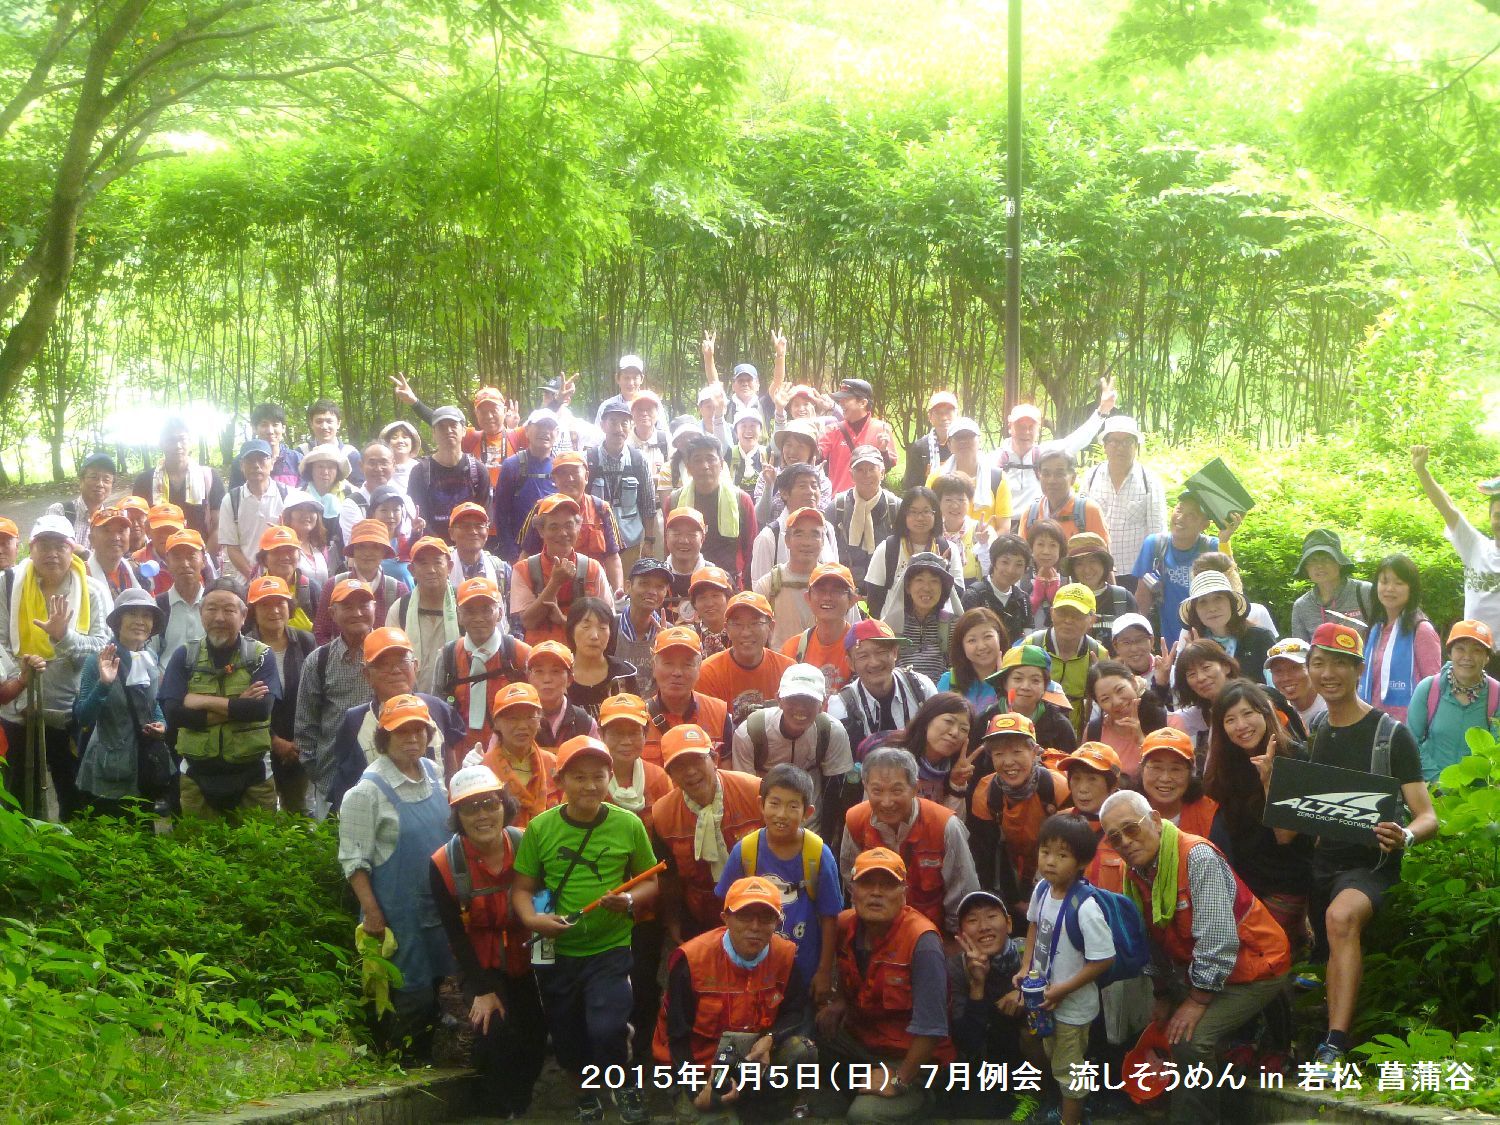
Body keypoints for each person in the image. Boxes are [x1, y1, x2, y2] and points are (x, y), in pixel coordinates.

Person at [1100, 788, 1292, 1122]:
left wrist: (1196, 1001)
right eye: (1115, 838)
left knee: (1190, 1040)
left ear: (1156, 822)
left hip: (1257, 966)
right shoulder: (1138, 874)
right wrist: (1161, 995)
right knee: (1155, 1028)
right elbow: (1151, 943)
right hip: (1202, 970)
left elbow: (1219, 941)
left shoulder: (1197, 857)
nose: (1126, 842)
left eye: (1132, 829)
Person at [1303, 621, 1439, 1067]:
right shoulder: (1318, 729)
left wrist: (1405, 835)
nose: (1329, 673)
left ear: (1359, 670)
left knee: (1341, 917)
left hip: (1373, 866)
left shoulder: (1390, 734)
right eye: (1319, 663)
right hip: (1322, 864)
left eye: (1341, 663)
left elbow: (1427, 816)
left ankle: (1335, 1044)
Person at [511, 735, 660, 1125]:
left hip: (610, 947)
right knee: (567, 1031)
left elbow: (650, 881)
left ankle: (622, 1082)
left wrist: (628, 901)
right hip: (558, 951)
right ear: (560, 780)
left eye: (598, 776)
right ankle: (586, 1092)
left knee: (608, 1025)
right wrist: (533, 920)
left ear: (611, 777)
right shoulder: (540, 829)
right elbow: (523, 889)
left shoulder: (628, 824)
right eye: (579, 777)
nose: (590, 786)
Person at [339, 694, 456, 1060]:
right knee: (408, 994)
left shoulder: (435, 775)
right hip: (395, 913)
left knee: (438, 989)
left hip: (437, 908)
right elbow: (354, 860)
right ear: (383, 738)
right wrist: (372, 913)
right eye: (401, 732)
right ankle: (392, 1063)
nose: (412, 739)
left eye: (419, 730)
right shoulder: (367, 791)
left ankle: (421, 1061)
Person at [1207, 680, 1314, 1070]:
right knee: (1238, 954)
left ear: (1267, 713)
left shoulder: (1296, 757)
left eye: (1248, 714)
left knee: (1268, 959)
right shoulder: (1227, 766)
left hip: (1286, 881)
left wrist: (1271, 779)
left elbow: (1287, 836)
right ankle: (1245, 1038)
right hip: (1244, 884)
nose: (1241, 725)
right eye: (1230, 719)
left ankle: (1280, 1045)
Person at [429, 766, 547, 1118]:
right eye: (470, 808)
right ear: (457, 816)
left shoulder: (527, 843)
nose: (482, 815)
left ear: (504, 805)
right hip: (481, 963)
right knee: (492, 1029)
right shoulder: (444, 864)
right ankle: (493, 1108)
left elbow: (547, 899)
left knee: (535, 1034)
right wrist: (480, 989)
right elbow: (454, 932)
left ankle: (520, 1105)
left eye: (489, 804)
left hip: (529, 956)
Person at [654, 872, 817, 1121]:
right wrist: (696, 1088)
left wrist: (770, 1039)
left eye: (765, 918)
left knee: (801, 1051)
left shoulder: (786, 956)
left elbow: (795, 1011)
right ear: (725, 918)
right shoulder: (691, 961)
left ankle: (767, 1112)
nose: (755, 927)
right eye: (744, 916)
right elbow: (675, 1036)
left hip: (752, 1060)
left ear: (777, 922)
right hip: (698, 1065)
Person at [817, 846, 952, 1124]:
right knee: (806, 1038)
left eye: (888, 884)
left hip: (914, 1058)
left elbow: (932, 1027)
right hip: (864, 1045)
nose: (876, 893)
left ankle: (924, 1099)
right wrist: (840, 1000)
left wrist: (899, 1080)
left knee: (863, 1116)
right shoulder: (843, 925)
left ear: (904, 892)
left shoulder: (922, 941)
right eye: (867, 883)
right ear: (852, 890)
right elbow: (847, 976)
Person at [0, 514, 111, 819]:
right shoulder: (8, 585)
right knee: (18, 793)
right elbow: (0, 639)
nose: (52, 553)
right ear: (30, 549)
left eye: (60, 546)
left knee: (73, 792)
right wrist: (20, 675)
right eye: (43, 545)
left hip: (69, 711)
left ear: (72, 549)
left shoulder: (91, 591)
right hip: (20, 709)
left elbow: (102, 646)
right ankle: (24, 859)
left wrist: (64, 637)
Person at [1016, 813, 1117, 1125]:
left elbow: (1104, 959)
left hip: (1072, 1006)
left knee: (1070, 1069)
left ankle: (1071, 1118)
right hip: (1045, 998)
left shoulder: (1085, 907)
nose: (1050, 862)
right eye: (1045, 852)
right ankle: (1065, 1108)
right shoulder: (1043, 890)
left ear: (1082, 861)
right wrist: (1025, 966)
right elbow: (1033, 926)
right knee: (1056, 1058)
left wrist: (1063, 989)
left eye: (1062, 855)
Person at [716, 762, 842, 995]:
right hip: (754, 965)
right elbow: (727, 908)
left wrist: (824, 971)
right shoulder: (746, 851)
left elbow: (829, 917)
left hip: (803, 965)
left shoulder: (817, 854)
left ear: (808, 813)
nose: (781, 814)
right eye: (774, 804)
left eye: (793, 806)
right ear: (760, 805)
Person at [159, 580, 281, 819]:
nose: (219, 618)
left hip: (253, 776)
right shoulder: (184, 656)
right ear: (201, 612)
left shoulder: (261, 656)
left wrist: (199, 701)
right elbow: (173, 714)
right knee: (200, 851)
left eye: (229, 610)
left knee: (257, 852)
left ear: (243, 615)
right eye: (212, 609)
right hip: (196, 775)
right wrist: (238, 705)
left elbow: (260, 710)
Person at [840, 746, 979, 935]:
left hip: (932, 933)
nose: (887, 801)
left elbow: (964, 892)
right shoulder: (855, 820)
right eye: (877, 791)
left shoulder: (945, 826)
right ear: (865, 787)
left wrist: (952, 942)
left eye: (896, 791)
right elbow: (852, 881)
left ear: (915, 788)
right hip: (876, 932)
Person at [326, 627, 466, 812]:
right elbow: (346, 784)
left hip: (438, 820)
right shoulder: (355, 722)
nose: (395, 670)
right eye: (383, 664)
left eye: (402, 661)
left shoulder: (437, 709)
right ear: (366, 674)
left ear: (415, 666)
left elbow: (453, 768)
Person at [651, 723, 765, 941]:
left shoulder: (754, 792)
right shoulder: (662, 815)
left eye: (697, 760)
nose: (691, 771)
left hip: (759, 908)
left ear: (714, 759)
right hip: (699, 915)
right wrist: (674, 923)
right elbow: (669, 879)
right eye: (680, 765)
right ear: (670, 774)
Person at [73, 588, 167, 817]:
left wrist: (162, 724)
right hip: (109, 765)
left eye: (146, 616)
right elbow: (83, 717)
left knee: (143, 835)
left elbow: (152, 703)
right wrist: (104, 684)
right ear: (117, 621)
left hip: (144, 763)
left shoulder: (150, 658)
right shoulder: (96, 661)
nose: (140, 621)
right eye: (132, 614)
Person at [968, 712, 1071, 917]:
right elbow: (986, 855)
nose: (1008, 762)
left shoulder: (1059, 788)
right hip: (1011, 875)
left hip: (1055, 875)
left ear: (1034, 752)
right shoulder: (986, 793)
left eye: (1017, 751)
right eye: (998, 754)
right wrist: (1009, 900)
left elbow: (1072, 851)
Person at [730, 663, 856, 830]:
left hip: (811, 828)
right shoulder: (751, 732)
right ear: (779, 700)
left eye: (809, 701)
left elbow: (835, 792)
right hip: (764, 826)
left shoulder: (832, 731)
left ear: (823, 704)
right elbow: (744, 792)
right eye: (793, 699)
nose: (800, 708)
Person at [296, 577, 377, 815]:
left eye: (364, 605)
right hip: (331, 779)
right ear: (332, 613)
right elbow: (305, 726)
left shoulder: (389, 655)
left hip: (382, 777)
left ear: (375, 608)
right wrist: (320, 776)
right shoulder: (318, 661)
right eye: (348, 606)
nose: (358, 613)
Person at [946, 890, 1029, 1118]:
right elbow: (967, 1041)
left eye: (992, 916)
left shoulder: (1029, 956)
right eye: (972, 920)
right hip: (983, 1065)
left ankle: (1039, 1096)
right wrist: (977, 985)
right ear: (962, 933)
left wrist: (1026, 994)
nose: (983, 926)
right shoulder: (956, 968)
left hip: (1025, 1063)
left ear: (1009, 924)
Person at [1413, 443, 1500, 650]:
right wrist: (1421, 470)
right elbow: (1447, 507)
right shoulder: (1475, 547)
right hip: (1475, 653)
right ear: (1490, 518)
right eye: (1497, 516)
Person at [437, 576, 530, 768]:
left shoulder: (519, 654)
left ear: (500, 612)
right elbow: (438, 714)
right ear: (459, 615)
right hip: (460, 759)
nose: (478, 618)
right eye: (469, 611)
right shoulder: (448, 656)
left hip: (511, 759)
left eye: (487, 610)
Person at [244, 575, 318, 812]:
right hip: (256, 745)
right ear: (253, 611)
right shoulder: (244, 648)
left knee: (299, 812)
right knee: (261, 815)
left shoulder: (306, 642)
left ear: (290, 607)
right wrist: (273, 740)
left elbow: (314, 695)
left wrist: (300, 742)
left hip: (298, 747)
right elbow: (242, 701)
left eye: (280, 603)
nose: (274, 610)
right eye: (265, 604)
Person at [995, 379, 1117, 514]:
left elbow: (1080, 438)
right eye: (1020, 426)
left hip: (1037, 526)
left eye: (1031, 427)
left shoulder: (1046, 454)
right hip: (1004, 527)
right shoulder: (994, 460)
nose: (1026, 432)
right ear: (1010, 427)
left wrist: (1102, 411)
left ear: (1039, 430)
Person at [1131, 492, 1235, 648]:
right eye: (1179, 510)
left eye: (1191, 515)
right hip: (1169, 638)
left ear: (1204, 525)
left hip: (1209, 639)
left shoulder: (1213, 546)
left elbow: (1233, 586)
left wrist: (1224, 541)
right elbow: (1142, 595)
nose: (1180, 518)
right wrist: (1138, 633)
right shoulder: (1154, 544)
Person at [511, 494, 615, 648]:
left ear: (578, 528)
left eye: (569, 525)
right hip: (540, 659)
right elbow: (528, 622)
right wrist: (555, 583)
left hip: (582, 658)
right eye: (553, 526)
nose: (563, 533)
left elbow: (607, 622)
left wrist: (563, 620)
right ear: (541, 531)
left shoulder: (593, 569)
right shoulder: (523, 569)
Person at [519, 450, 624, 595]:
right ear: (554, 480)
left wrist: (618, 593)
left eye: (575, 472)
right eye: (562, 473)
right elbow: (527, 554)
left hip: (592, 595)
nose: (569, 478)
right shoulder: (540, 509)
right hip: (550, 592)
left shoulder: (602, 509)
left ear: (586, 476)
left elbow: (612, 557)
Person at [827, 619, 939, 755]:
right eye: (863, 656)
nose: (874, 663)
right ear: (850, 663)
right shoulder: (841, 706)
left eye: (881, 652)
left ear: (895, 653)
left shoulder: (921, 688)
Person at [1409, 619, 1500, 783]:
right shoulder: (1428, 689)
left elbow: (1497, 752)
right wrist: (1440, 783)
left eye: (1477, 650)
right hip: (1431, 791)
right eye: (1460, 649)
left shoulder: (1497, 695)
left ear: (1487, 658)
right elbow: (1411, 742)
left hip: (1479, 797)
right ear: (1450, 653)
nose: (1467, 657)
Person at [1081, 414, 1166, 583]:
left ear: (1136, 446)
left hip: (1136, 571)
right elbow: (1081, 524)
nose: (1120, 448)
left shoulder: (1149, 481)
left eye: (1128, 441)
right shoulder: (1091, 477)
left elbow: (1158, 532)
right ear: (1104, 446)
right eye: (1114, 441)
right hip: (1097, 569)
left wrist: (1155, 570)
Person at [1359, 553, 1442, 722]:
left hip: (1409, 727)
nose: (1390, 588)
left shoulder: (1421, 630)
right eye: (1384, 581)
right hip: (1373, 722)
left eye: (1399, 583)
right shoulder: (1376, 629)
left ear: (1412, 588)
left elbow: (1434, 687)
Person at [863, 488, 964, 620]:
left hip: (936, 627)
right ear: (904, 514)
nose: (920, 518)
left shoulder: (949, 549)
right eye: (913, 512)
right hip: (894, 629)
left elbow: (959, 593)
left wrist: (942, 573)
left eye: (926, 511)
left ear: (936, 514)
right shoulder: (888, 548)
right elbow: (874, 597)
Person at [671, 435, 758, 586]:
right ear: (688, 466)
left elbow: (751, 548)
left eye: (711, 459)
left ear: (722, 464)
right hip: (686, 582)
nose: (705, 466)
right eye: (698, 460)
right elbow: (670, 546)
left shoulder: (741, 500)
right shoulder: (674, 501)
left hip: (730, 582)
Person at [642, 626, 733, 765]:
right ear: (654, 667)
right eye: (668, 663)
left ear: (699, 667)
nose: (677, 672)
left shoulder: (719, 714)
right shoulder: (639, 718)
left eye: (687, 664)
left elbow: (725, 778)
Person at [1021, 583, 1105, 733]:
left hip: (1079, 737)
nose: (1068, 620)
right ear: (1052, 613)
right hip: (1033, 733)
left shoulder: (1099, 654)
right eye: (1062, 612)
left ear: (1092, 619)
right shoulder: (1031, 645)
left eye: (1077, 615)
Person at [586, 399, 659, 573]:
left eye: (624, 423)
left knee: (626, 590)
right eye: (613, 422)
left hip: (630, 542)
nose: (619, 428)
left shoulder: (638, 460)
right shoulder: (589, 460)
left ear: (630, 425)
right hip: (596, 542)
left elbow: (648, 504)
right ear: (603, 425)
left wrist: (649, 541)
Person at [312, 518, 408, 645]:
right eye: (361, 546)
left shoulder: (398, 590)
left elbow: (405, 637)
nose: (367, 553)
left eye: (375, 547)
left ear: (384, 552)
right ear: (353, 551)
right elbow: (320, 633)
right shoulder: (333, 585)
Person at [131, 417, 225, 547]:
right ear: (161, 444)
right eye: (171, 440)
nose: (178, 446)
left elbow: (219, 526)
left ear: (190, 441)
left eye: (182, 439)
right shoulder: (145, 481)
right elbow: (138, 524)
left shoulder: (208, 478)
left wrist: (205, 560)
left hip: (199, 557)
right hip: (156, 559)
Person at [881, 691, 977, 816]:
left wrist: (956, 785)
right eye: (948, 721)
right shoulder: (892, 759)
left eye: (963, 729)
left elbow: (953, 827)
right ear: (927, 720)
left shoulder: (959, 769)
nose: (954, 732)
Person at [384, 536, 458, 695]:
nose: (431, 569)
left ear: (450, 567)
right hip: (410, 701)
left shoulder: (464, 605)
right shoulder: (400, 609)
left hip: (457, 699)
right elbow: (391, 659)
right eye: (423, 563)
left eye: (438, 562)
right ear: (412, 570)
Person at [407, 405, 491, 546]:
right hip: (431, 551)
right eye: (441, 427)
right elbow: (419, 516)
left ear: (464, 430)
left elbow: (483, 516)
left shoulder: (478, 470)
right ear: (433, 433)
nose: (448, 431)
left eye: (453, 425)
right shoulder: (420, 472)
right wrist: (441, 548)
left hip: (469, 548)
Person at [1178, 569, 1275, 683]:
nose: (1212, 608)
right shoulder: (1193, 646)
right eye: (1203, 602)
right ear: (1196, 611)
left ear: (1231, 602)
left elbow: (1276, 687)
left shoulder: (1259, 637)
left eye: (1218, 598)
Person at [697, 590, 795, 704]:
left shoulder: (787, 671)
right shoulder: (708, 673)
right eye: (737, 624)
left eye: (755, 623)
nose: (746, 633)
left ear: (771, 627)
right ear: (727, 629)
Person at [982, 644, 1078, 758]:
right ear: (1004, 683)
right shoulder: (986, 720)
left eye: (1035, 680)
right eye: (1018, 678)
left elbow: (1070, 770)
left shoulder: (1059, 725)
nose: (1025, 686)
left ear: (1045, 686)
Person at [750, 464, 840, 585]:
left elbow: (836, 576)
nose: (811, 492)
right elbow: (760, 590)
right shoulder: (769, 538)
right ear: (784, 493)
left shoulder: (827, 529)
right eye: (802, 486)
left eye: (814, 486)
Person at [883, 551, 963, 683]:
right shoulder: (891, 626)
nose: (926, 588)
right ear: (908, 587)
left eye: (934, 581)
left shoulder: (954, 625)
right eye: (919, 580)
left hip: (941, 700)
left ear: (943, 588)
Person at [781, 561, 859, 695]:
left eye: (837, 591)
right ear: (808, 598)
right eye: (820, 590)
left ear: (852, 600)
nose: (827, 597)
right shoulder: (793, 649)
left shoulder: (861, 647)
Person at [827, 443, 902, 578]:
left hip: (887, 582)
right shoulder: (837, 507)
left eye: (872, 469)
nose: (866, 475)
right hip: (846, 583)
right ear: (851, 474)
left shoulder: (895, 507)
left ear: (883, 473)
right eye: (860, 470)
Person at [1083, 658, 1168, 775]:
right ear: (1098, 704)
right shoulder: (1095, 731)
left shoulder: (1168, 722)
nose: (1117, 702)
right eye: (1105, 699)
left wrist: (1142, 741)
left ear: (1133, 683)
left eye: (1119, 690)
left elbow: (1173, 774)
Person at [1136, 727, 1222, 842]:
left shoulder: (1209, 815)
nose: (1165, 778)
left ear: (1190, 773)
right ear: (1142, 769)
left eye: (1176, 769)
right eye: (1156, 767)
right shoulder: (1125, 810)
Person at [220, 439, 288, 582]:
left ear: (272, 463)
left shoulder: (287, 496)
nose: (256, 465)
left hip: (283, 578)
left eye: (262, 459)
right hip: (247, 580)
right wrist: (254, 576)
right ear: (241, 465)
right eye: (250, 460)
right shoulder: (231, 500)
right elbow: (232, 547)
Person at [1289, 529, 1374, 641]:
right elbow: (1301, 651)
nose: (1319, 565)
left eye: (1326, 559)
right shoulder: (1302, 606)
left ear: (1339, 563)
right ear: (1306, 568)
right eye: (1313, 560)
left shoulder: (1365, 592)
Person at [819, 378, 899, 495]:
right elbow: (816, 457)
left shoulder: (881, 429)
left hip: (872, 502)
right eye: (840, 400)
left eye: (846, 399)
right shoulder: (832, 430)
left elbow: (887, 468)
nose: (841, 403)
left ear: (863, 403)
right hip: (841, 504)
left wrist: (883, 451)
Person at [1060, 532, 1136, 645]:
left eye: (1093, 561)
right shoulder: (1064, 600)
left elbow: (1137, 640)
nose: (1087, 570)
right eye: (1079, 564)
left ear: (1104, 564)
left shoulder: (1123, 598)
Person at [569, 597, 639, 715]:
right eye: (586, 627)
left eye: (602, 628)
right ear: (571, 631)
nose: (594, 636)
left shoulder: (623, 674)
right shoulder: (561, 674)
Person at [340, 441, 416, 549]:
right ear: (361, 466)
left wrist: (416, 532)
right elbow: (355, 550)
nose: (378, 468)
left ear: (393, 465)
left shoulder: (405, 500)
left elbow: (410, 545)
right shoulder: (353, 504)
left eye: (384, 462)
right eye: (372, 463)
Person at [526, 640, 598, 751]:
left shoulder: (584, 723)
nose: (547, 679)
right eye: (539, 671)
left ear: (570, 679)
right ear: (529, 677)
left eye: (555, 671)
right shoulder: (516, 720)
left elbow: (598, 765)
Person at [961, 534, 1033, 644]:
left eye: (1019, 565)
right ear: (993, 562)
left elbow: (1028, 641)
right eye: (1005, 562)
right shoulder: (974, 596)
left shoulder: (1022, 598)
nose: (1010, 570)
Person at [149, 528, 207, 661]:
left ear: (203, 561)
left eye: (191, 556)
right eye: (177, 558)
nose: (185, 564)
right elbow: (150, 655)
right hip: (167, 679)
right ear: (167, 563)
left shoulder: (213, 605)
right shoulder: (156, 607)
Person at [937, 607, 1006, 714]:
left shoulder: (1015, 677)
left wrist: (1004, 682)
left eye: (987, 636)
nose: (981, 646)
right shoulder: (949, 682)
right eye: (972, 640)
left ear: (1000, 637)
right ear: (961, 646)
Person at [252, 523, 321, 631]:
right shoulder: (254, 593)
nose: (285, 557)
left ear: (298, 554)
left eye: (290, 550)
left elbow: (323, 632)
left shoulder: (312, 589)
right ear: (264, 558)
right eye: (276, 552)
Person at [613, 558, 668, 691]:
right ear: (628, 587)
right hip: (617, 709)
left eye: (660, 587)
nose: (652, 591)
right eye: (644, 583)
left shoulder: (668, 633)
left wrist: (666, 649)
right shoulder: (610, 627)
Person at [445, 501, 513, 607]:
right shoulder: (443, 568)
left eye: (479, 525)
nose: (473, 531)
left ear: (487, 531)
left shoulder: (501, 569)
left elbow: (512, 615)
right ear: (451, 533)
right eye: (465, 526)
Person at [233, 402, 303, 488]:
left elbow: (305, 495)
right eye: (264, 425)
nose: (270, 431)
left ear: (283, 428)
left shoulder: (297, 460)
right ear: (254, 428)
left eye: (275, 425)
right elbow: (236, 497)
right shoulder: (243, 461)